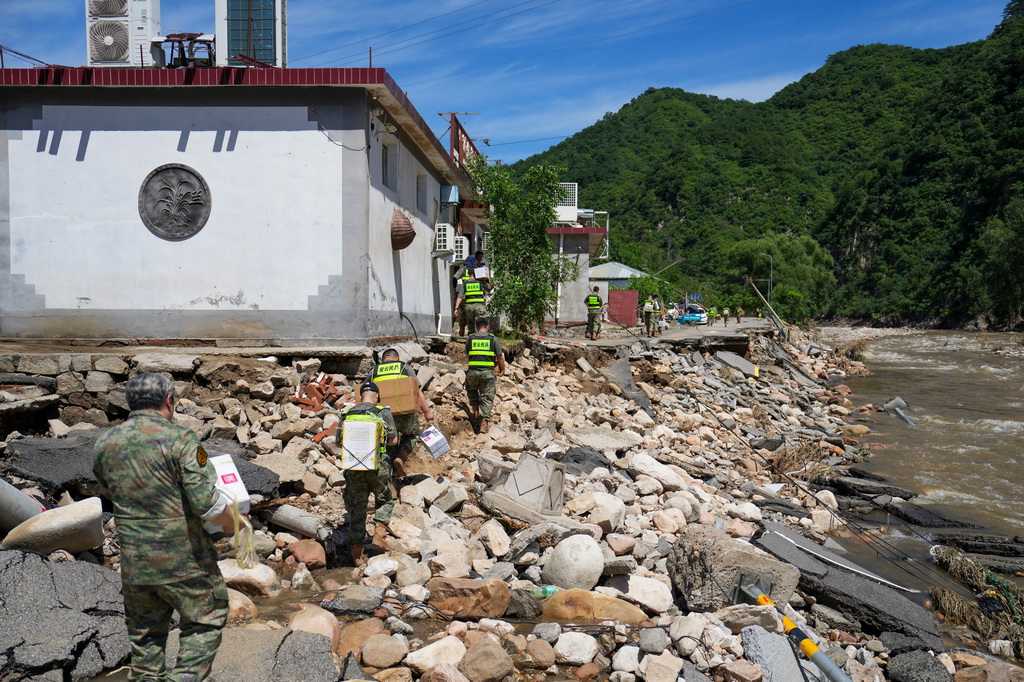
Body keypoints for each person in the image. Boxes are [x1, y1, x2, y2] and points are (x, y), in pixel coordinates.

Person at [93, 372, 236, 681]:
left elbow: (108, 492)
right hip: (183, 562)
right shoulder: (180, 440)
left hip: (135, 564)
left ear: (130, 402)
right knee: (205, 621)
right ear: (170, 401)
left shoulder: (105, 443)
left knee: (145, 643)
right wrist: (238, 523)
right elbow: (207, 503)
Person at [338, 381, 398, 566]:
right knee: (384, 499)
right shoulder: (382, 412)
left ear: (360, 397)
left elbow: (339, 441)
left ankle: (356, 555)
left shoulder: (347, 413)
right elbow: (393, 441)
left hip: (354, 467)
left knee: (357, 509)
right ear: (377, 396)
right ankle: (379, 533)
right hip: (378, 466)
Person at [370, 348, 435, 482]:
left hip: (383, 416)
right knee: (411, 435)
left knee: (388, 445)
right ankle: (401, 456)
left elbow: (366, 393)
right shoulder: (404, 367)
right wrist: (427, 411)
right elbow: (416, 390)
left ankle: (392, 484)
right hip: (405, 413)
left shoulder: (374, 371)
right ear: (397, 359)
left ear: (383, 360)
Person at [465, 317, 507, 434]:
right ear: (487, 327)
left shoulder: (471, 338)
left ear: (476, 327)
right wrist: (503, 369)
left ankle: (475, 414)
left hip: (472, 373)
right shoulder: (493, 339)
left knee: (472, 392)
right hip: (487, 374)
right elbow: (499, 356)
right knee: (487, 397)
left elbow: (467, 356)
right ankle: (483, 423)